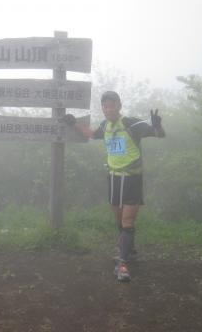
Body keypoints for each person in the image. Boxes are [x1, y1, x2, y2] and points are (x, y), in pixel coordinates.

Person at [62, 91, 165, 282]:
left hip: (132, 178)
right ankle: (129, 248)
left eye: (112, 105)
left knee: (127, 222)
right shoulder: (106, 125)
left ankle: (122, 263)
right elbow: (92, 134)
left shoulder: (132, 123)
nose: (108, 109)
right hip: (114, 177)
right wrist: (73, 123)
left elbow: (159, 135)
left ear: (119, 105)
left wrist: (158, 125)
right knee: (119, 219)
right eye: (105, 106)